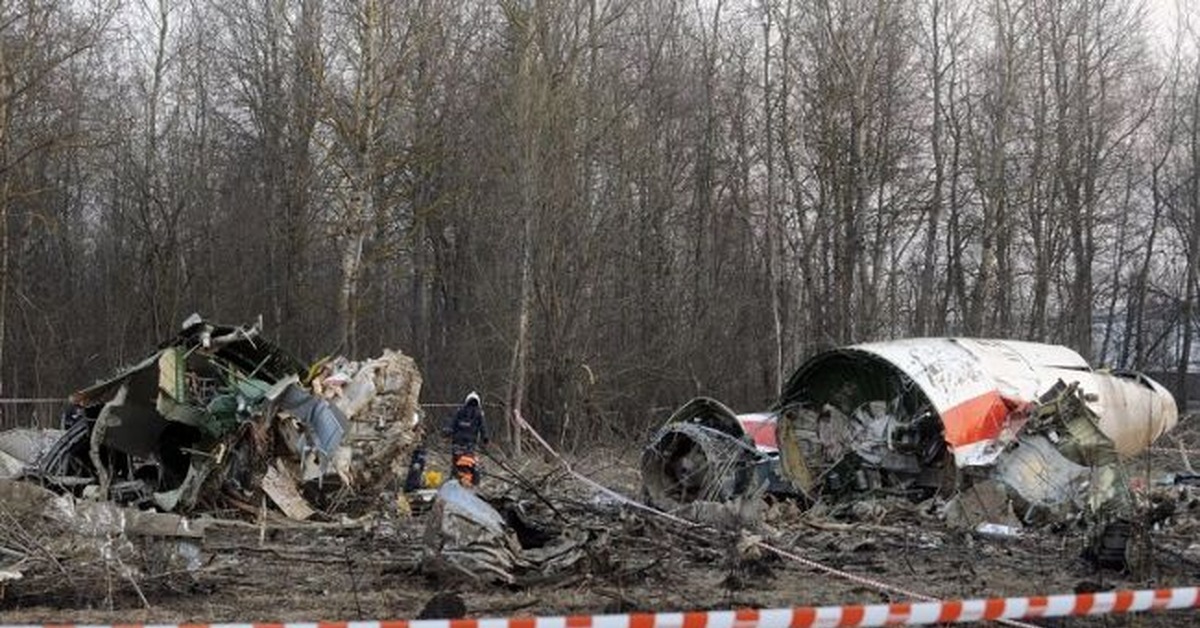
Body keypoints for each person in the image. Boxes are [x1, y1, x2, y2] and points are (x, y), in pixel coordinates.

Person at [445, 391, 488, 487]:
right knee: (464, 462)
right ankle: (465, 480)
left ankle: (460, 479)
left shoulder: (463, 411)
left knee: (461, 461)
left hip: (462, 441)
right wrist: (484, 437)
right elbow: (483, 427)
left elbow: (452, 422)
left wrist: (448, 430)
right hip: (467, 442)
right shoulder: (476, 413)